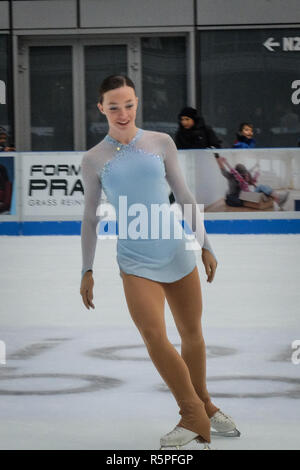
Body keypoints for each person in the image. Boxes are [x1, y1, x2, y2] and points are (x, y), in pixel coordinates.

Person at [80, 75, 240, 450]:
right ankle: (193, 414)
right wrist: (86, 268)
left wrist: (205, 244)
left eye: (129, 104)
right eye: (114, 106)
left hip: (176, 250)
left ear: (137, 102)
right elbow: (90, 217)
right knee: (154, 336)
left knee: (192, 334)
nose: (123, 113)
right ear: (101, 108)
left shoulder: (161, 142)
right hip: (134, 259)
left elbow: (183, 195)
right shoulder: (94, 158)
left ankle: (205, 406)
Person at [215, 155, 289, 209]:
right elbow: (225, 170)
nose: (246, 176)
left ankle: (278, 199)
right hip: (237, 197)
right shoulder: (236, 178)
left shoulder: (246, 177)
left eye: (246, 174)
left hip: (247, 195)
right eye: (244, 175)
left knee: (262, 187)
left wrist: (257, 169)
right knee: (260, 187)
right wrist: (218, 158)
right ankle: (278, 198)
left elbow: (251, 175)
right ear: (240, 175)